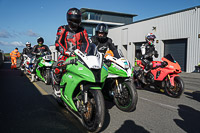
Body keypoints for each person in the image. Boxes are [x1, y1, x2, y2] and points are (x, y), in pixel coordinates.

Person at [53, 8, 90, 97]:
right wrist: (67, 52)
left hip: (80, 56)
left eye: (78, 19)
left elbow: (87, 42)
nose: (77, 21)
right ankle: (57, 85)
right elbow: (58, 43)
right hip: (65, 55)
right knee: (58, 68)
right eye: (75, 20)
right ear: (69, 19)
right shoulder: (62, 29)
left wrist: (85, 53)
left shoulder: (83, 30)